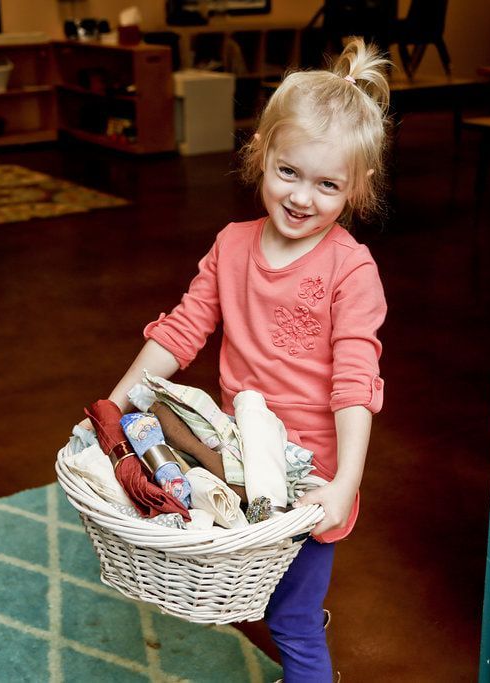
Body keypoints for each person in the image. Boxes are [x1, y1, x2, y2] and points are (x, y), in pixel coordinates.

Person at [90, 39, 391, 682]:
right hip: (237, 461)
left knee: (290, 619)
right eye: (289, 173)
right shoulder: (231, 246)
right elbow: (180, 332)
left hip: (312, 481)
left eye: (328, 184)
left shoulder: (350, 269)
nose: (303, 197)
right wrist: (112, 408)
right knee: (251, 592)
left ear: (356, 190)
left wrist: (345, 484)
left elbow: (354, 384)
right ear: (261, 154)